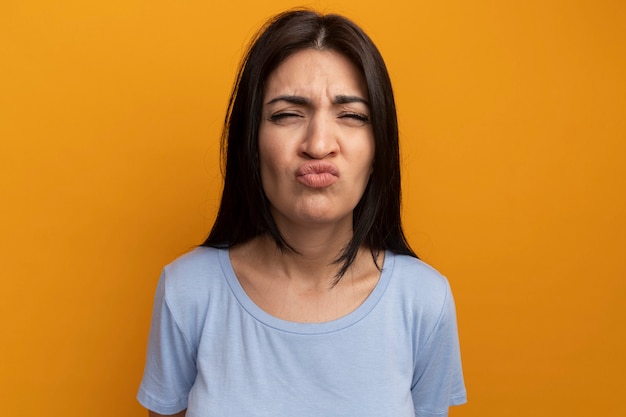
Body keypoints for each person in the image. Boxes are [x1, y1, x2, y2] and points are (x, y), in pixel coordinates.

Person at [137, 9, 466, 417]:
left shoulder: (424, 300)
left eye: (351, 116)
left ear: (379, 147)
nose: (318, 143)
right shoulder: (187, 291)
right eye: (287, 114)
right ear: (251, 143)